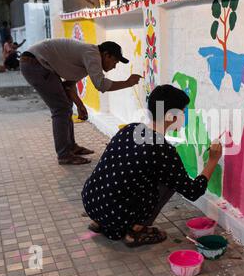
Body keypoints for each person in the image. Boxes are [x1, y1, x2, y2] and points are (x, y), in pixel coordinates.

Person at [81, 84, 223, 247]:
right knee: (170, 182)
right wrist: (212, 160)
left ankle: (100, 221)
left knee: (137, 177)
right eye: (183, 113)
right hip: (115, 214)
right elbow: (192, 191)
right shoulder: (162, 149)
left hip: (91, 201)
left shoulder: (130, 129)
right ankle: (135, 231)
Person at [20, 39, 142, 165]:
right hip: (34, 63)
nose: (114, 66)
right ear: (106, 55)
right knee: (61, 109)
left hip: (36, 63)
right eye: (114, 62)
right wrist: (127, 83)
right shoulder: (92, 55)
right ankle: (64, 154)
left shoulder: (88, 58)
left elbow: (68, 85)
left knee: (65, 105)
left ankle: (71, 147)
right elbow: (101, 85)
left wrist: (79, 105)